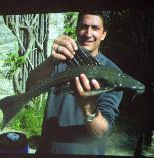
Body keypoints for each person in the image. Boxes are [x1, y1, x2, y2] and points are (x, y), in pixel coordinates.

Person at [26, 11, 123, 155]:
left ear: (103, 34)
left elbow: (101, 131)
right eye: (84, 26)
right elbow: (30, 86)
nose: (88, 33)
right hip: (47, 151)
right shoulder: (61, 60)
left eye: (95, 28)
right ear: (77, 29)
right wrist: (50, 61)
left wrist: (89, 109)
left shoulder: (113, 74)